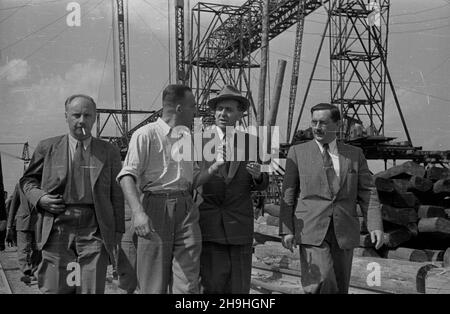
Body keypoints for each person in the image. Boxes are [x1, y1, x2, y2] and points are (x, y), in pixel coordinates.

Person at [20, 94, 124, 294]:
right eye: (76, 115)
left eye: (88, 115)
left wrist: (117, 234)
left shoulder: (108, 151)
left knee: (90, 287)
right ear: (66, 116)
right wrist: (40, 198)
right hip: (57, 227)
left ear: (95, 117)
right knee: (57, 287)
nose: (82, 120)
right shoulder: (47, 147)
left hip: (94, 230)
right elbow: (27, 180)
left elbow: (116, 194)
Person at [279, 103, 384, 294]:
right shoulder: (297, 153)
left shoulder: (354, 155)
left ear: (337, 124)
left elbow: (368, 191)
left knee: (340, 286)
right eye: (314, 122)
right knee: (322, 281)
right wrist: (286, 229)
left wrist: (375, 225)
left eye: (324, 123)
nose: (317, 127)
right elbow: (288, 193)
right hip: (310, 228)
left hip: (343, 230)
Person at [118, 84, 201, 294]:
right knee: (153, 283)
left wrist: (217, 166)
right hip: (156, 208)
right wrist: (138, 213)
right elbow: (126, 175)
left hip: (186, 208)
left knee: (188, 282)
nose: (196, 112)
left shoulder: (189, 138)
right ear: (180, 108)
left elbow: (194, 178)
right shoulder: (145, 134)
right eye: (193, 107)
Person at [193, 85, 269, 294]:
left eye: (228, 109)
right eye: (219, 109)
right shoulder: (197, 141)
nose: (222, 114)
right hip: (208, 225)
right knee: (210, 285)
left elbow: (263, 183)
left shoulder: (251, 143)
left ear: (239, 114)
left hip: (239, 226)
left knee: (238, 287)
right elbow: (190, 181)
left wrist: (258, 176)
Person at [6, 183, 42, 284]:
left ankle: (34, 270)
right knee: (23, 248)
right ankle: (27, 271)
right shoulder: (19, 185)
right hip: (23, 222)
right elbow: (13, 206)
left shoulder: (43, 183)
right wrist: (9, 225)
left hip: (38, 222)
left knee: (37, 248)